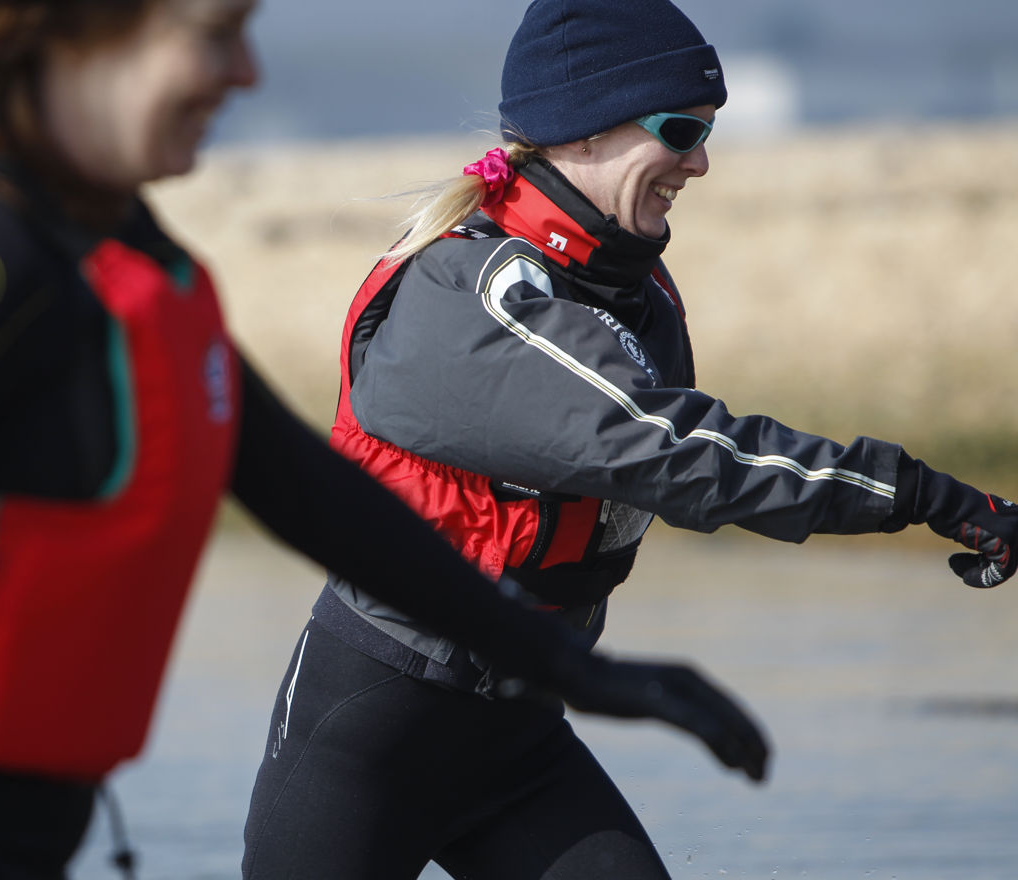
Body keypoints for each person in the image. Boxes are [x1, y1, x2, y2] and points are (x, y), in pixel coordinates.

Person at [0, 1, 773, 877]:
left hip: (12, 837)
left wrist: (583, 671)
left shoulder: (124, 262)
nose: (244, 73)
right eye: (213, 34)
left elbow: (317, 497)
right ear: (80, 33)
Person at [240, 1, 1018, 878]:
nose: (701, 160)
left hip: (520, 739)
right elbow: (679, 455)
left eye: (708, 130)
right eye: (681, 129)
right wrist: (920, 495)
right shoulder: (474, 298)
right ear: (583, 131)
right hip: (371, 733)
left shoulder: (630, 287)